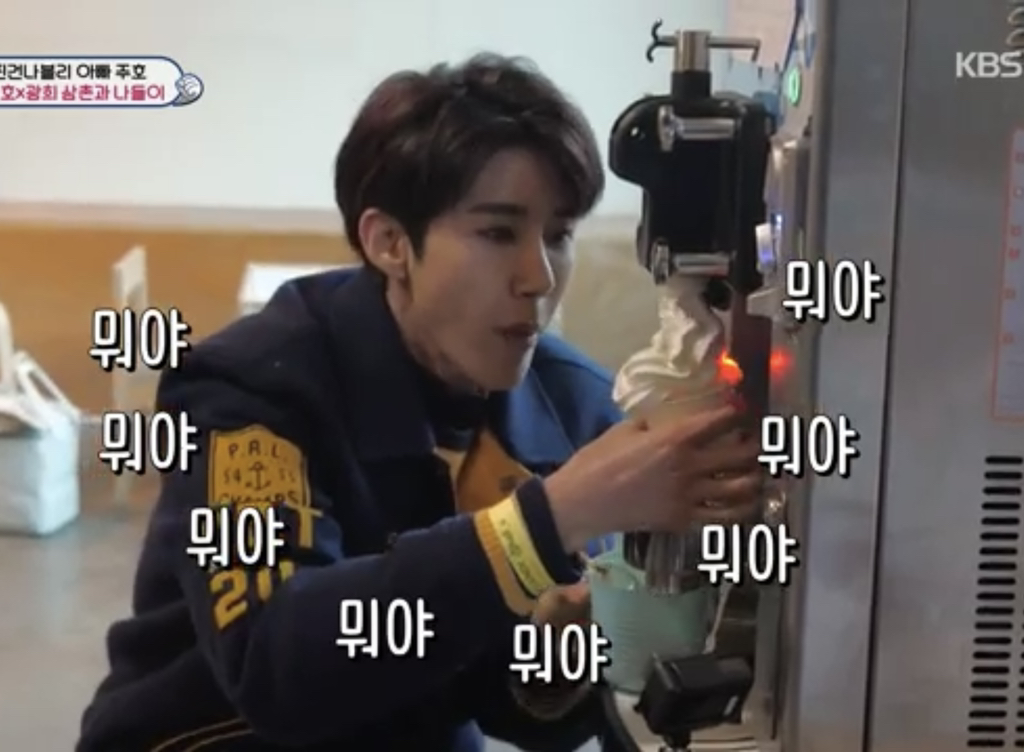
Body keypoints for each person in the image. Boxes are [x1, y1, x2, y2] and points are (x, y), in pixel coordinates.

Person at [77, 53, 762, 752]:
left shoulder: (573, 408)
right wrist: (547, 522)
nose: (539, 277)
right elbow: (274, 662)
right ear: (389, 243)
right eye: (498, 233)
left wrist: (556, 660)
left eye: (559, 235)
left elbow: (509, 706)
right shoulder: (246, 392)